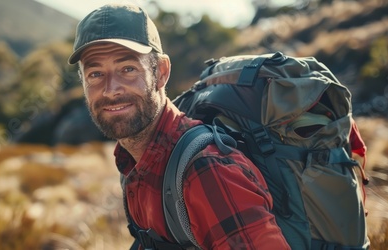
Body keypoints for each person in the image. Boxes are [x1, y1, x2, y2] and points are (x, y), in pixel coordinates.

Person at [67, 3, 290, 249]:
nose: (110, 90)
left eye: (127, 69)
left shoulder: (208, 172)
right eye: (95, 74)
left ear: (161, 72)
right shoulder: (132, 162)